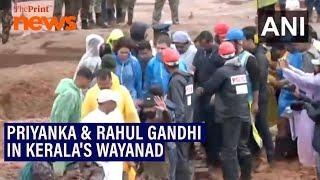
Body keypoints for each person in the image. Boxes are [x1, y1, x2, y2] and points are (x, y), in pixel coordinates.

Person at [196, 42, 252, 180]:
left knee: (229, 151)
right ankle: (246, 176)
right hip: (244, 113)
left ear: (221, 56)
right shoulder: (242, 69)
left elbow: (209, 87)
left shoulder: (222, 72)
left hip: (230, 115)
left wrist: (198, 90)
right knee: (242, 146)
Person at [81, 68, 138, 180]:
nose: (103, 89)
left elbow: (130, 123)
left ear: (111, 81)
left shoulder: (118, 109)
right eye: (100, 86)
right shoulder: (90, 118)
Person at [242, 26, 275, 169]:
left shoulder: (259, 57)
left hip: (259, 96)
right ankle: (261, 156)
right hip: (257, 95)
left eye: (242, 41)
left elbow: (259, 79)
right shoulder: (255, 53)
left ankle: (268, 158)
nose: (241, 44)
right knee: (256, 127)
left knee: (261, 127)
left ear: (250, 40)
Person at [279, 57, 320, 167]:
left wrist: (286, 70)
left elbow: (304, 81)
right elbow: (304, 75)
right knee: (309, 137)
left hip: (317, 110)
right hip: (313, 106)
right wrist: (289, 67)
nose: (315, 67)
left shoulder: (318, 79)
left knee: (315, 139)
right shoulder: (315, 75)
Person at [192, 30, 223, 171]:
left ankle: (214, 158)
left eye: (205, 45)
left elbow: (223, 75)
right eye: (201, 45)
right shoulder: (199, 52)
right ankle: (204, 150)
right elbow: (195, 70)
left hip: (213, 95)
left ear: (210, 42)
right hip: (200, 93)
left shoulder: (219, 53)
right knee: (197, 122)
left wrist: (216, 93)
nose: (203, 48)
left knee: (213, 127)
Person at [162, 48, 194, 180]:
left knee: (181, 158)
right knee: (185, 156)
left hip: (182, 123)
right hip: (190, 119)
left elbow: (179, 107)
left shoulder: (175, 81)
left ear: (165, 64)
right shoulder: (188, 77)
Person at [82, 89, 124, 180]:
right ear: (107, 103)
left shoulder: (117, 115)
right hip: (98, 166)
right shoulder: (89, 120)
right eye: (114, 102)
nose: (116, 104)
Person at [139, 87, 174, 179]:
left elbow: (169, 124)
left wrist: (165, 111)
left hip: (161, 166)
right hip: (147, 167)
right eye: (146, 108)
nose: (149, 110)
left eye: (151, 107)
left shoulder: (160, 120)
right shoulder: (141, 121)